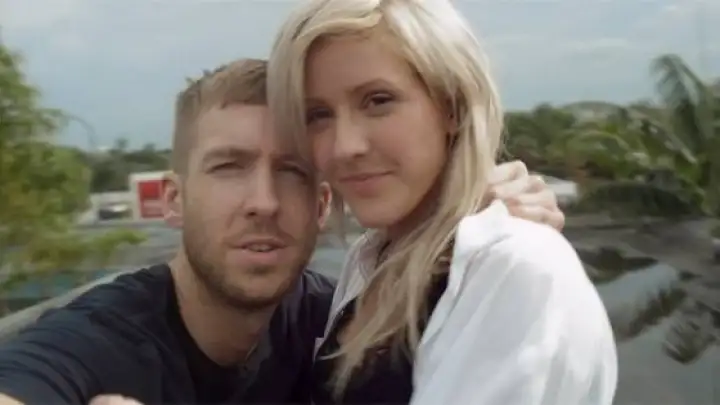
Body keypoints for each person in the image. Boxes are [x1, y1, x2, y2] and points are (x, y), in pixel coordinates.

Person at [0, 59, 563, 405]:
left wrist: (474, 213)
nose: (264, 203)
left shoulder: (334, 322)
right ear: (174, 200)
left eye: (292, 171)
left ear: (322, 204)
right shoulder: (99, 339)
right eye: (229, 166)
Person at [265, 0, 618, 404]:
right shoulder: (370, 259)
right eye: (317, 115)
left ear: (451, 104)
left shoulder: (516, 269)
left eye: (378, 101)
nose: (345, 146)